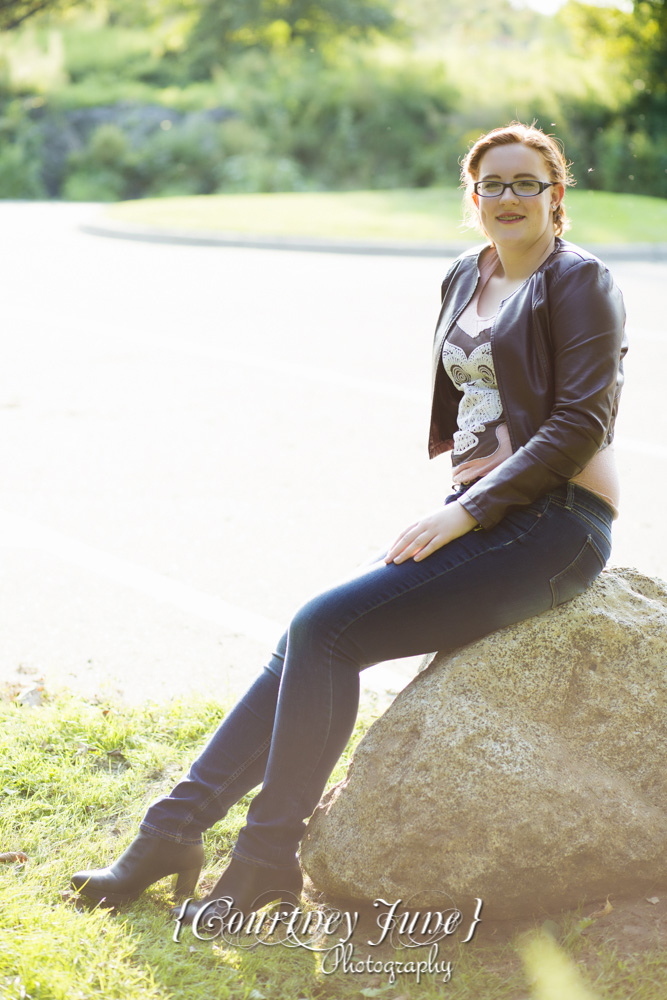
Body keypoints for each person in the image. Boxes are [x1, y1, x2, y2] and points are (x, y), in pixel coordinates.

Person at [71, 122, 627, 924]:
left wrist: (464, 510)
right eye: (492, 185)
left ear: (555, 196)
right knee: (307, 637)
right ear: (472, 199)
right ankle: (170, 833)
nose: (508, 198)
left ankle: (262, 862)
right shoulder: (464, 277)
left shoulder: (579, 281)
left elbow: (578, 423)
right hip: (485, 520)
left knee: (326, 628)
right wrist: (464, 510)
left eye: (526, 184)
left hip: (557, 526)